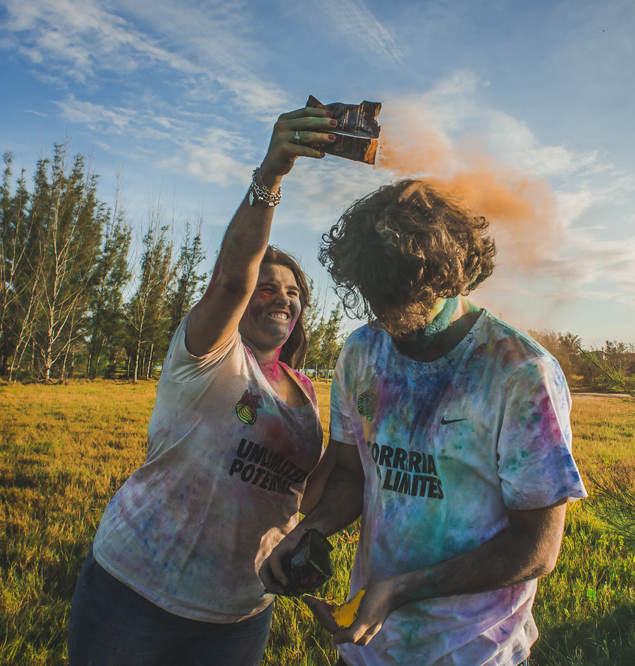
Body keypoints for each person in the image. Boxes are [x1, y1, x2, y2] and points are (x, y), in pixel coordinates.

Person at [259, 180, 588, 666]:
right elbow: (352, 472)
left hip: (475, 651)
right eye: (377, 298)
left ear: (453, 278)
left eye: (405, 299)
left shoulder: (519, 372)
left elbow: (537, 547)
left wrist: (400, 590)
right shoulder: (361, 351)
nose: (387, 319)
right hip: (372, 650)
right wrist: (315, 530)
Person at [67, 105, 342, 666]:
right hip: (136, 592)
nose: (283, 297)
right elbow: (232, 274)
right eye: (267, 287)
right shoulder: (208, 355)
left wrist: (298, 540)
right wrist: (271, 174)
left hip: (239, 614)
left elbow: (298, 489)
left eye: (293, 292)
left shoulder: (306, 392)